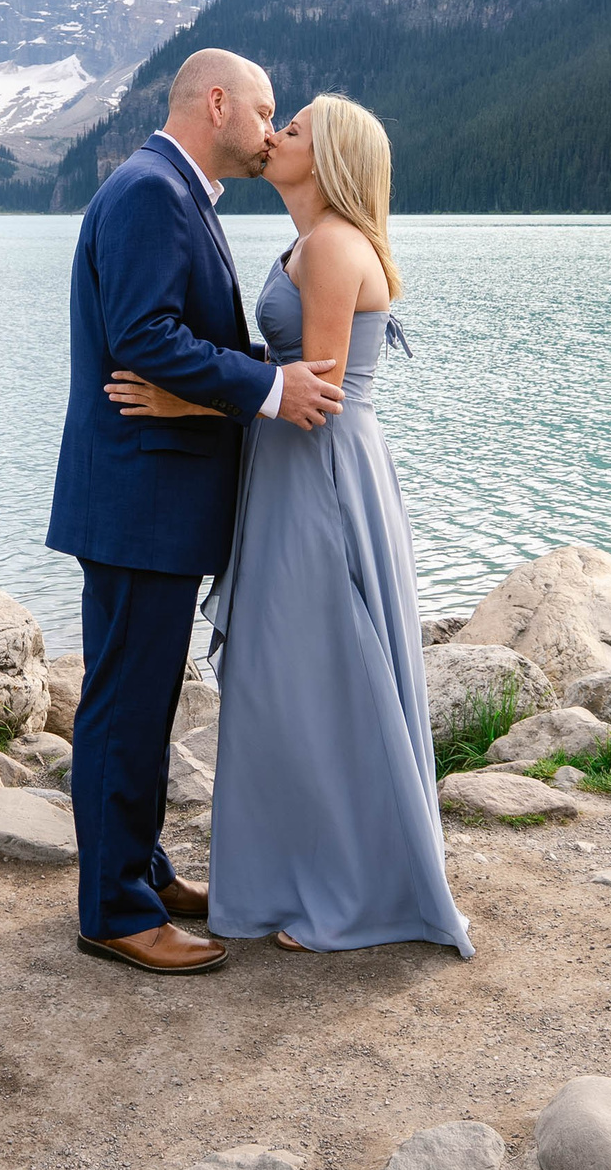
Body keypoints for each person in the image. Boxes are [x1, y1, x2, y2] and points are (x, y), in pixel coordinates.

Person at [108, 94, 471, 958]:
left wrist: (181, 401)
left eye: (294, 128)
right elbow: (280, 378)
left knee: (322, 677)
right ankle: (301, 874)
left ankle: (346, 893)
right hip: (295, 478)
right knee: (297, 678)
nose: (274, 136)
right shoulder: (311, 244)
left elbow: (310, 397)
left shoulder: (337, 246)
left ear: (331, 156)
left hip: (321, 482)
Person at [45, 49, 346, 975]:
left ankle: (141, 870)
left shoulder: (175, 191)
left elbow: (185, 341)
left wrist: (243, 376)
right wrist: (265, 385)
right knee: (125, 705)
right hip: (140, 497)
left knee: (143, 697)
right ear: (216, 105)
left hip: (149, 494)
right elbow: (143, 336)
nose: (270, 129)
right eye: (263, 111)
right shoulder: (149, 192)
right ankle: (114, 914)